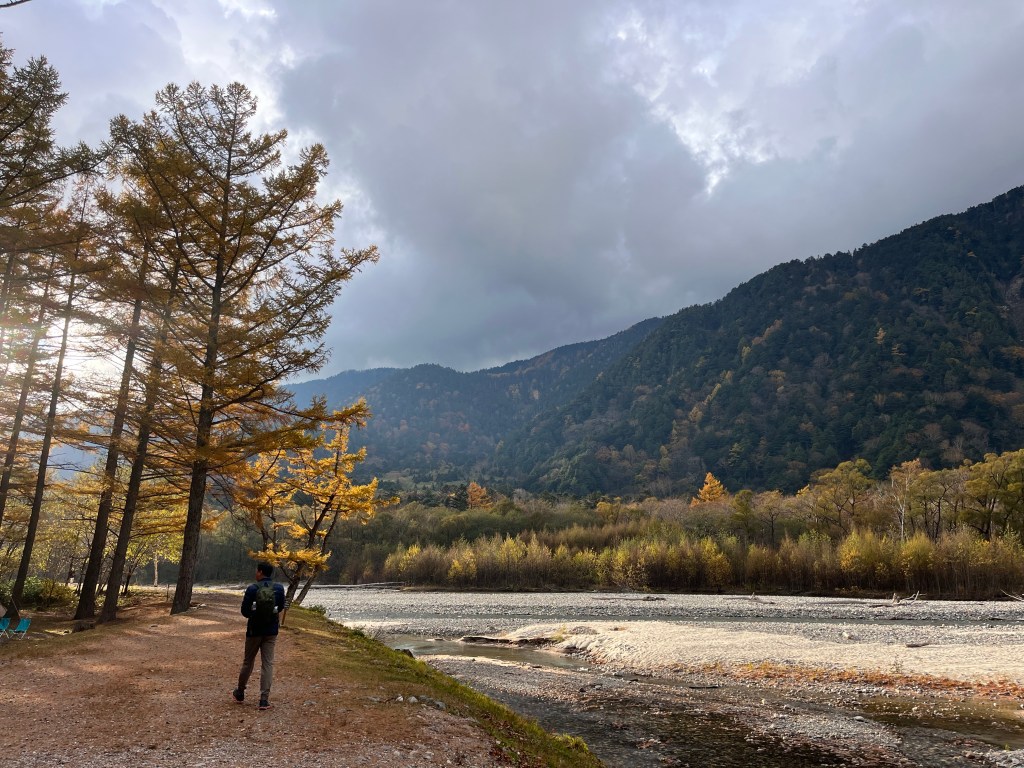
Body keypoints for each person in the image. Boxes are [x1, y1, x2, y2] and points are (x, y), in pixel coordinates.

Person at [232, 561, 286, 710]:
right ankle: (264, 699)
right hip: (271, 632)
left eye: (257, 571)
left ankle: (240, 692)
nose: (255, 573)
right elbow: (280, 607)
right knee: (267, 664)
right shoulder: (279, 588)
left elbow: (244, 611)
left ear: (261, 572)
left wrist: (254, 615)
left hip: (254, 631)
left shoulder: (252, 589)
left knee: (248, 662)